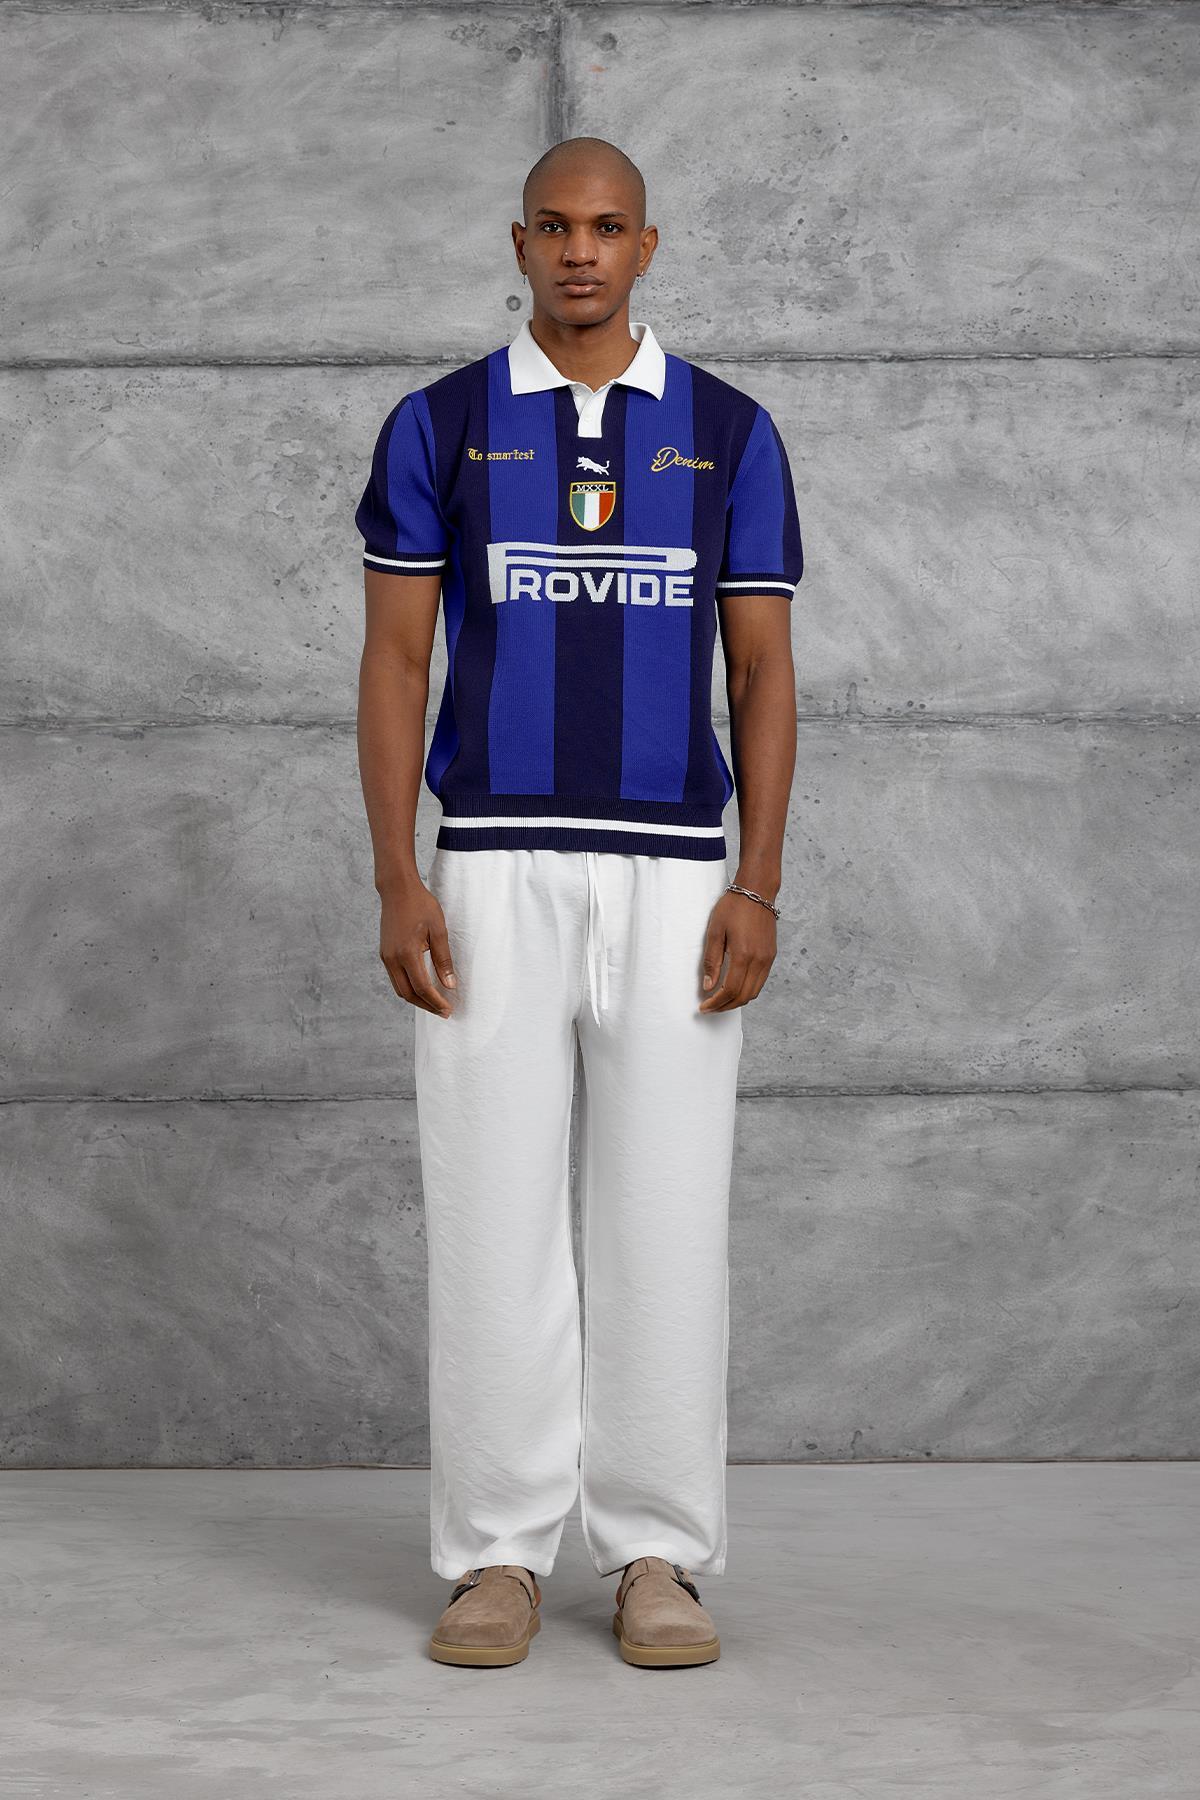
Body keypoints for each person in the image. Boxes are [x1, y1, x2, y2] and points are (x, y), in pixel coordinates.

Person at [354, 136, 802, 1669]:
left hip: (676, 875)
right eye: (555, 226)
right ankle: (496, 1555)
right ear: (522, 242)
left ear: (647, 245)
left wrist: (759, 880)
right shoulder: (441, 422)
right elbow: (396, 660)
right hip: (490, 862)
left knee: (665, 1213)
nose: (581, 251)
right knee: (491, 1209)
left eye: (608, 227)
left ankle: (657, 1554)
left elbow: (762, 671)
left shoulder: (730, 432)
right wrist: (398, 871)